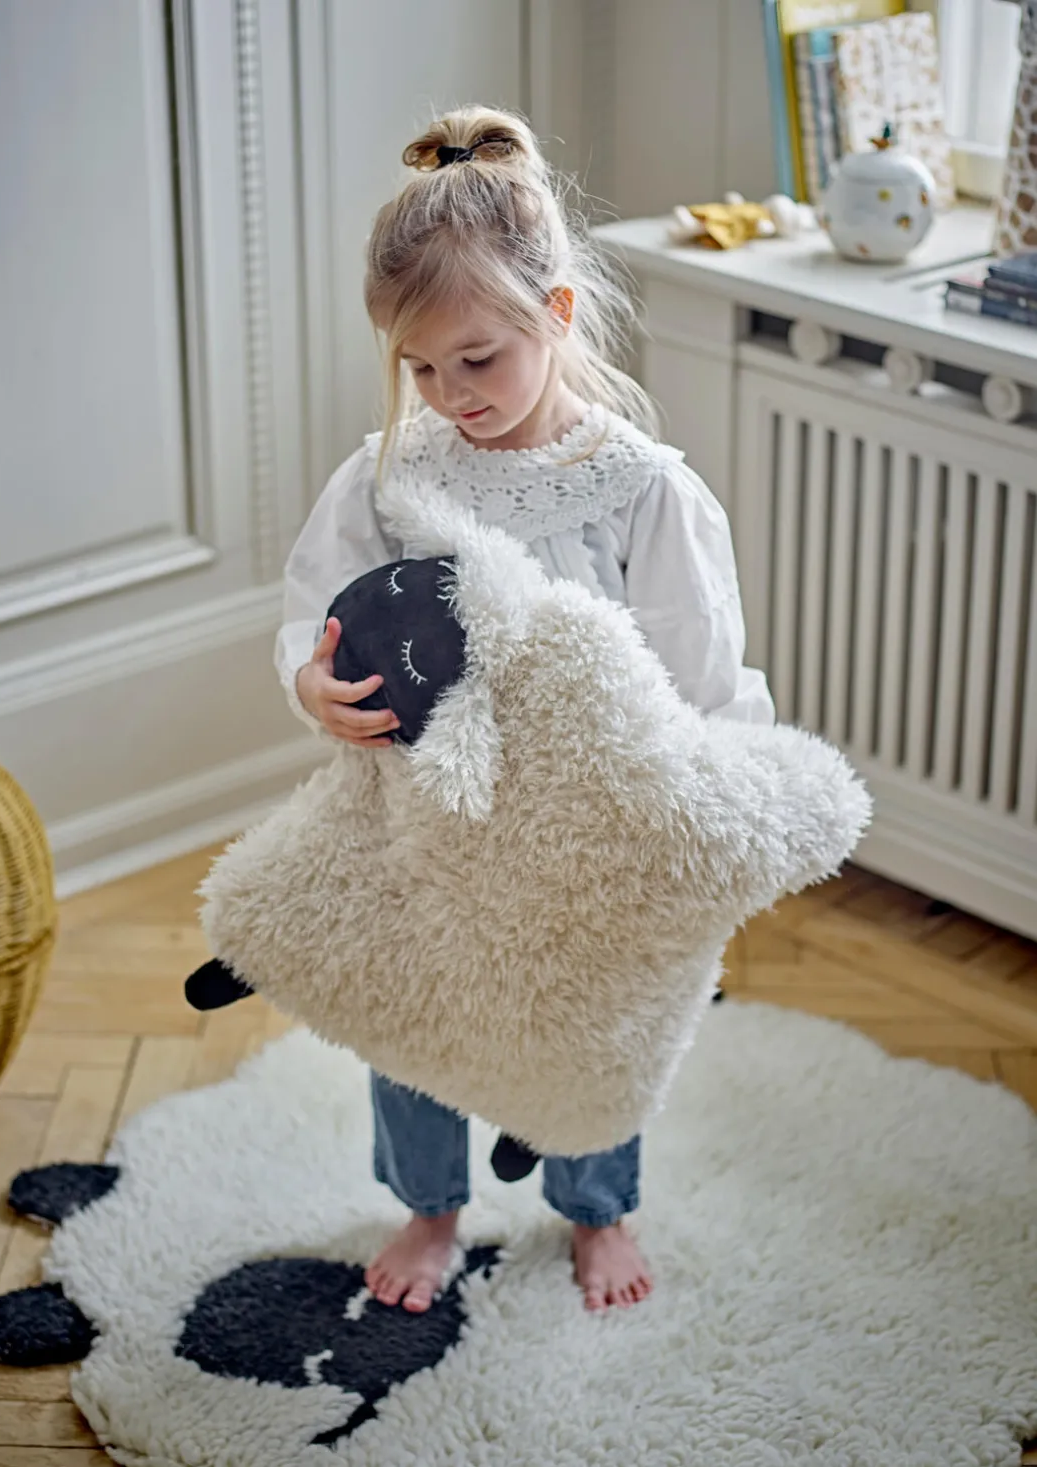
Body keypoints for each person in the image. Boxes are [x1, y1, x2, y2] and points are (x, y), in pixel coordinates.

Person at [275, 105, 774, 1316]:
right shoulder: (389, 475)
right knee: (417, 1018)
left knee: (589, 1026)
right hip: (426, 831)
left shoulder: (640, 494)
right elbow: (311, 606)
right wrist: (310, 675)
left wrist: (714, 809)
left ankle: (597, 1205)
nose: (449, 394)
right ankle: (430, 1203)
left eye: (476, 361)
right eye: (419, 369)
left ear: (551, 317)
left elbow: (701, 673)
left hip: (582, 837)